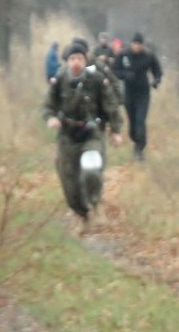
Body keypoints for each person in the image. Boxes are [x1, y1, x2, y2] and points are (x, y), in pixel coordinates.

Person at [43, 41, 124, 233]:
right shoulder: (60, 79)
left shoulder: (96, 79)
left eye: (79, 58)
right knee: (69, 182)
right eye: (72, 59)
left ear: (85, 60)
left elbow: (111, 104)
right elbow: (48, 105)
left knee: (91, 168)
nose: (76, 63)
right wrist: (51, 118)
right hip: (67, 136)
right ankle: (82, 215)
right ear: (67, 62)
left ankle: (95, 204)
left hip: (92, 133)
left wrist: (116, 130)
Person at [116, 31, 162, 161]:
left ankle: (139, 149)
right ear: (131, 44)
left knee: (140, 120)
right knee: (132, 124)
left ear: (142, 45)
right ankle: (136, 139)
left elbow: (157, 70)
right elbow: (115, 71)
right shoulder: (124, 55)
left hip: (143, 93)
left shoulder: (148, 56)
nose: (137, 47)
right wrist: (125, 75)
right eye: (135, 44)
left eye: (139, 44)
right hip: (129, 93)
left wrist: (156, 80)